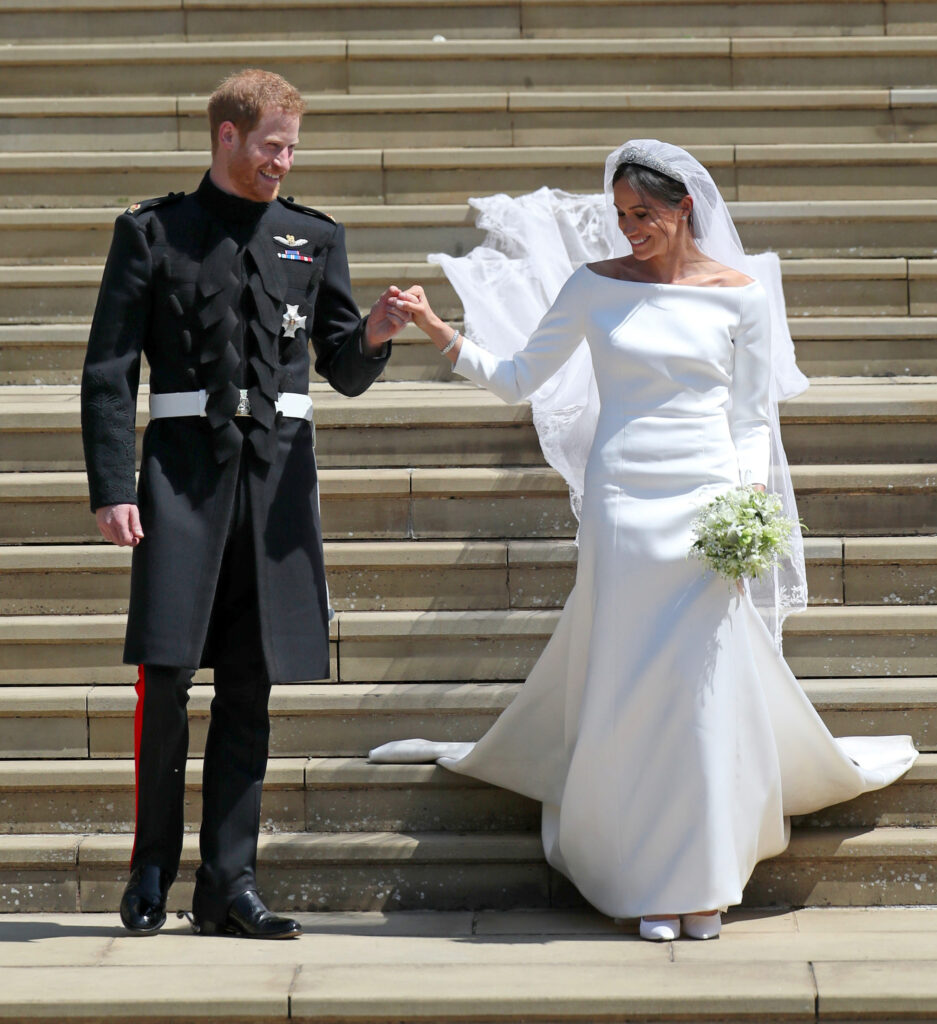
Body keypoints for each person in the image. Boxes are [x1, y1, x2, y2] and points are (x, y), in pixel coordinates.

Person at [370, 140, 917, 941]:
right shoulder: (592, 288)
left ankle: (703, 878)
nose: (630, 229)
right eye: (621, 215)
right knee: (635, 691)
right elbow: (521, 378)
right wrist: (433, 327)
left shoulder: (741, 296)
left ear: (684, 208)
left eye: (645, 215)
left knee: (700, 695)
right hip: (623, 500)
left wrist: (750, 515)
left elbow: (749, 421)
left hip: (707, 507)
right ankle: (641, 877)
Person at [81, 68, 410, 938]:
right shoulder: (154, 232)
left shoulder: (311, 238)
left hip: (274, 490)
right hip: (180, 484)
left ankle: (230, 883)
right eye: (271, 145)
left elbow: (339, 367)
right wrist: (113, 487)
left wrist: (373, 333)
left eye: (292, 147)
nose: (283, 161)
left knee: (251, 686)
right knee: (166, 677)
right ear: (226, 137)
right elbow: (109, 371)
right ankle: (151, 866)